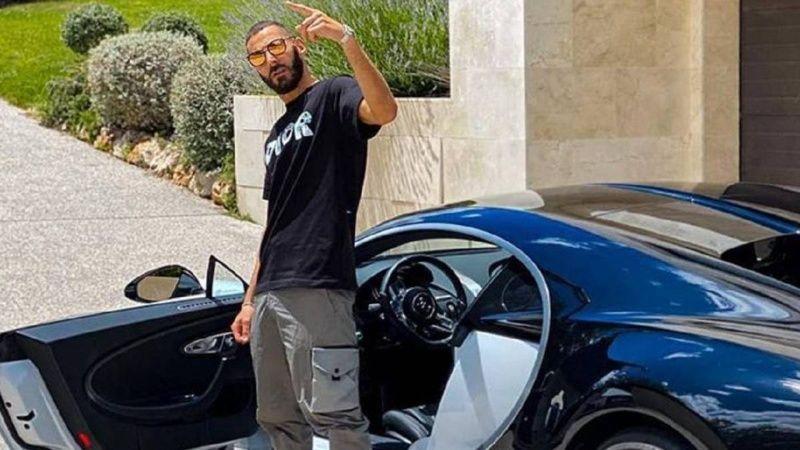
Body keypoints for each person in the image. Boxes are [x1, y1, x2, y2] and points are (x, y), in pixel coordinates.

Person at [230, 2, 398, 449]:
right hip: (270, 293)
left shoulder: (334, 95)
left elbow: (384, 111)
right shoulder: (275, 136)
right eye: (258, 56)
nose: (271, 60)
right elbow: (274, 223)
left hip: (318, 282)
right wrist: (249, 300)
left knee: (335, 414)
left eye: (276, 47)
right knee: (277, 418)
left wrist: (347, 40)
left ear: (298, 46)